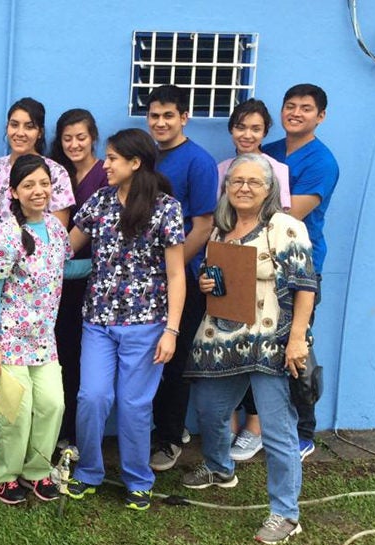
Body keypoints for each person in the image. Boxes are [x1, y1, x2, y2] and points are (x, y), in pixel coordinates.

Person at [182, 153, 317, 545]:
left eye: (253, 182)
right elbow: (217, 278)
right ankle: (220, 468)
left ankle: (286, 514)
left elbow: (306, 286)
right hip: (222, 341)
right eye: (236, 181)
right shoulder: (221, 231)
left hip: (269, 342)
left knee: (277, 430)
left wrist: (297, 339)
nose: (243, 188)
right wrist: (208, 283)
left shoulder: (285, 228)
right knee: (210, 409)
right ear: (226, 188)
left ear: (269, 189)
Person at [66, 129, 186, 511]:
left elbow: (177, 275)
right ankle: (89, 471)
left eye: (113, 158)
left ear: (135, 163)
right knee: (92, 397)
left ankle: (138, 479)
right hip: (97, 320)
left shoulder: (166, 208)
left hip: (147, 324)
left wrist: (172, 330)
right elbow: (66, 247)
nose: (106, 165)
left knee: (135, 405)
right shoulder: (99, 202)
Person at [0, 154, 69, 505]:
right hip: (7, 338)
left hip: (43, 338)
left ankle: (37, 471)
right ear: (14, 191)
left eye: (43, 183)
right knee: (15, 408)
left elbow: (60, 271)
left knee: (52, 404)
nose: (38, 190)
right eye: (28, 185)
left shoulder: (57, 229)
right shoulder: (6, 233)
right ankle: (4, 473)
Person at [263, 84, 339, 460]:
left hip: (301, 267)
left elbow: (292, 214)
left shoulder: (322, 162)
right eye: (289, 106)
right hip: (262, 262)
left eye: (305, 108)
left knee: (297, 345)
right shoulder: (270, 152)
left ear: (320, 116)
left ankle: (304, 430)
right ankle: (259, 426)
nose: (295, 113)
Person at [145, 84, 218, 473]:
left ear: (184, 117)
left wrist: (168, 270)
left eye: (168, 115)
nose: (160, 122)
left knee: (174, 363)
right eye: (154, 115)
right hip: (142, 286)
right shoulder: (145, 157)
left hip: (181, 281)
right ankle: (153, 432)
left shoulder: (198, 162)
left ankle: (170, 439)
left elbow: (204, 225)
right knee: (147, 360)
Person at [216, 99, 292, 462]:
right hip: (226, 271)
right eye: (240, 126)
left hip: (264, 277)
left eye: (255, 128)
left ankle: (254, 429)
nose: (247, 134)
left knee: (259, 354)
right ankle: (227, 429)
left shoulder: (276, 169)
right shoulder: (221, 169)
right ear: (231, 129)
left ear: (265, 132)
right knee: (228, 348)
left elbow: (280, 224)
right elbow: (219, 219)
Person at [48, 108, 110, 445]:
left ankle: (72, 434)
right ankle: (54, 431)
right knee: (56, 355)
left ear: (93, 138)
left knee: (79, 359)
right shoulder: (56, 175)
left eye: (81, 137)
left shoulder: (105, 176)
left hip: (90, 281)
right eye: (67, 138)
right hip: (53, 285)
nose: (74, 144)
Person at [0, 97, 76, 226]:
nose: (20, 133)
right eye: (14, 125)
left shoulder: (56, 172)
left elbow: (57, 232)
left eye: (29, 127)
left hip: (37, 246)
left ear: (40, 132)